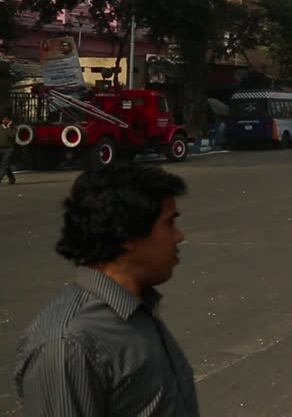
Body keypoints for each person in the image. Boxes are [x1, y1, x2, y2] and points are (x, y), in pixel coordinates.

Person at [14, 164, 198, 416]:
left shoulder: (137, 312)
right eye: (169, 224)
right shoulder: (67, 346)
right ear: (128, 234)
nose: (179, 236)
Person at [0, 113, 17, 185]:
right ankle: (12, 179)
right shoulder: (0, 127)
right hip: (0, 148)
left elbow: (12, 135)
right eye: (4, 119)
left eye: (7, 119)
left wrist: (8, 127)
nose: (5, 120)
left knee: (4, 165)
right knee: (5, 166)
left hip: (9, 149)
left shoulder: (13, 128)